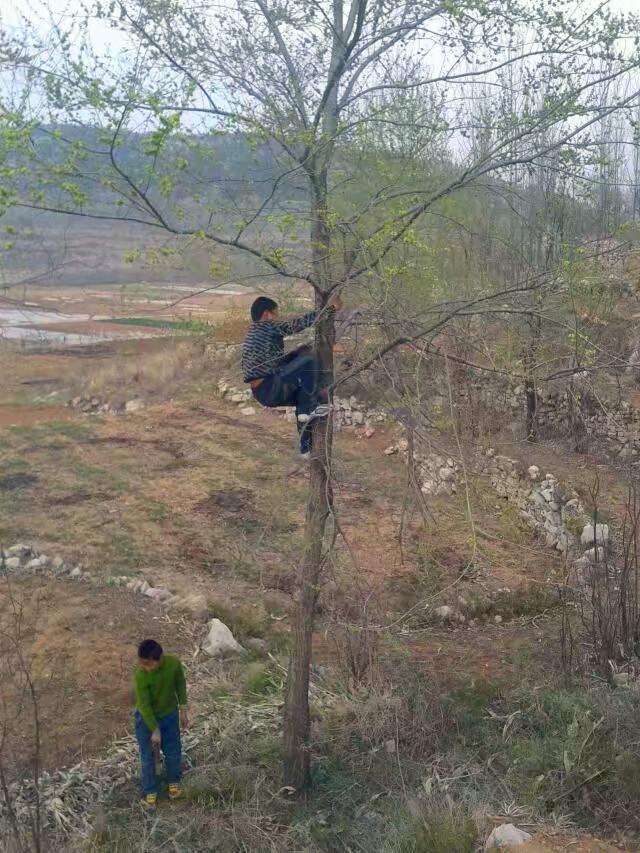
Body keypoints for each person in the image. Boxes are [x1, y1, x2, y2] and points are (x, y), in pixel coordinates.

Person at [241, 294, 342, 457]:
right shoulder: (266, 326)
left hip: (262, 392)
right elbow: (298, 324)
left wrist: (302, 350)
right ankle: (310, 408)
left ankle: (305, 447)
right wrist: (330, 309)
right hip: (270, 385)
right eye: (276, 314)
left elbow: (276, 362)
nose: (277, 318)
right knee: (309, 359)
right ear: (267, 314)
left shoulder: (253, 333)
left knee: (306, 391)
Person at [133, 639, 189, 808]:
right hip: (146, 719)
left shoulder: (173, 664)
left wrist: (183, 710)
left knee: (173, 750)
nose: (143, 666)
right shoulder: (141, 675)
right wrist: (154, 729)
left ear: (158, 659)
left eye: (147, 663)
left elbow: (180, 684)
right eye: (141, 663)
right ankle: (150, 792)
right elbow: (143, 705)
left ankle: (173, 784)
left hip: (169, 715)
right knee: (148, 756)